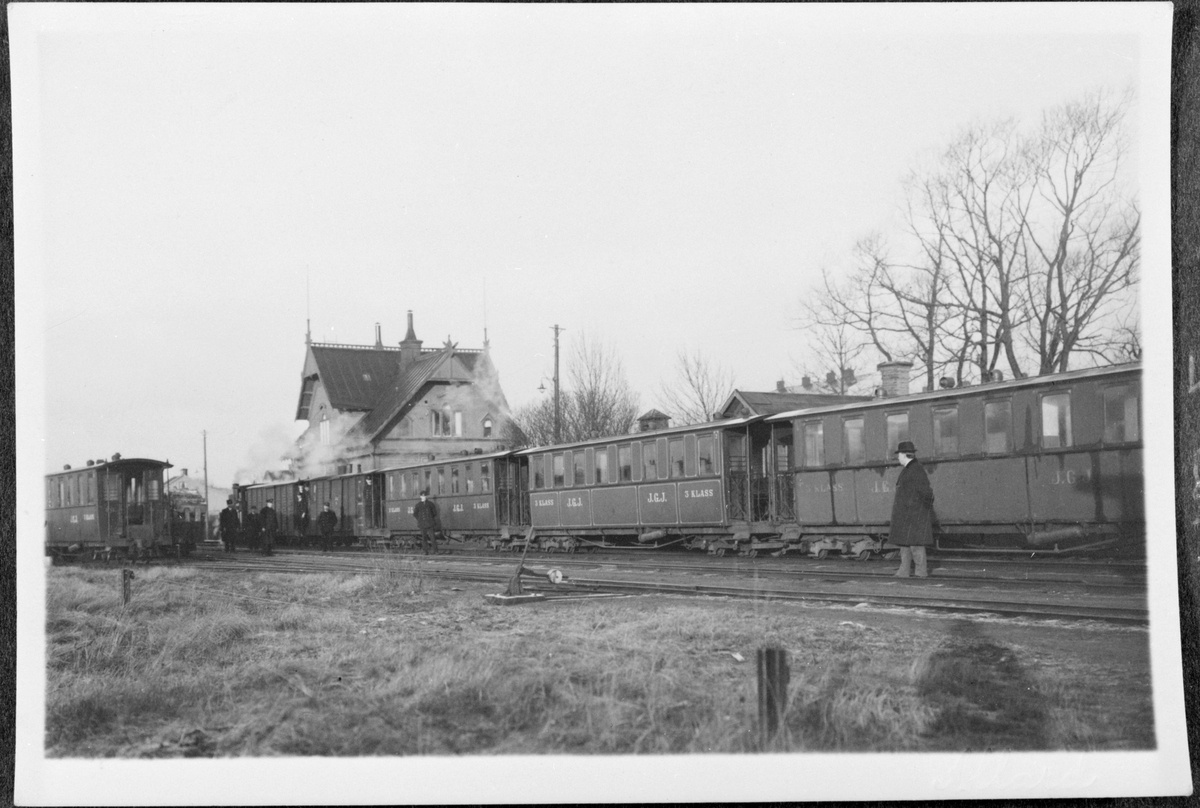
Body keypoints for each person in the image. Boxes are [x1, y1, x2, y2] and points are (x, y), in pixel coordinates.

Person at [888, 440, 935, 578]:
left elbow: (927, 493)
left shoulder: (916, 469)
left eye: (899, 455)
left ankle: (921, 574)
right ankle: (904, 572)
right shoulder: (910, 469)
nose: (898, 458)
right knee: (905, 545)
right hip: (908, 515)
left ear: (904, 455)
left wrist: (916, 507)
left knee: (916, 545)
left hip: (914, 515)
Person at [413, 490, 441, 555]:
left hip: (430, 523)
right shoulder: (418, 505)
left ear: (426, 496)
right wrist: (420, 519)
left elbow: (435, 513)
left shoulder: (430, 504)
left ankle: (435, 551)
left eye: (424, 496)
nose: (423, 497)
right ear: (420, 497)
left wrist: (430, 518)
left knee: (432, 537)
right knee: (424, 538)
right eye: (422, 496)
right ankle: (425, 551)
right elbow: (415, 514)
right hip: (422, 524)